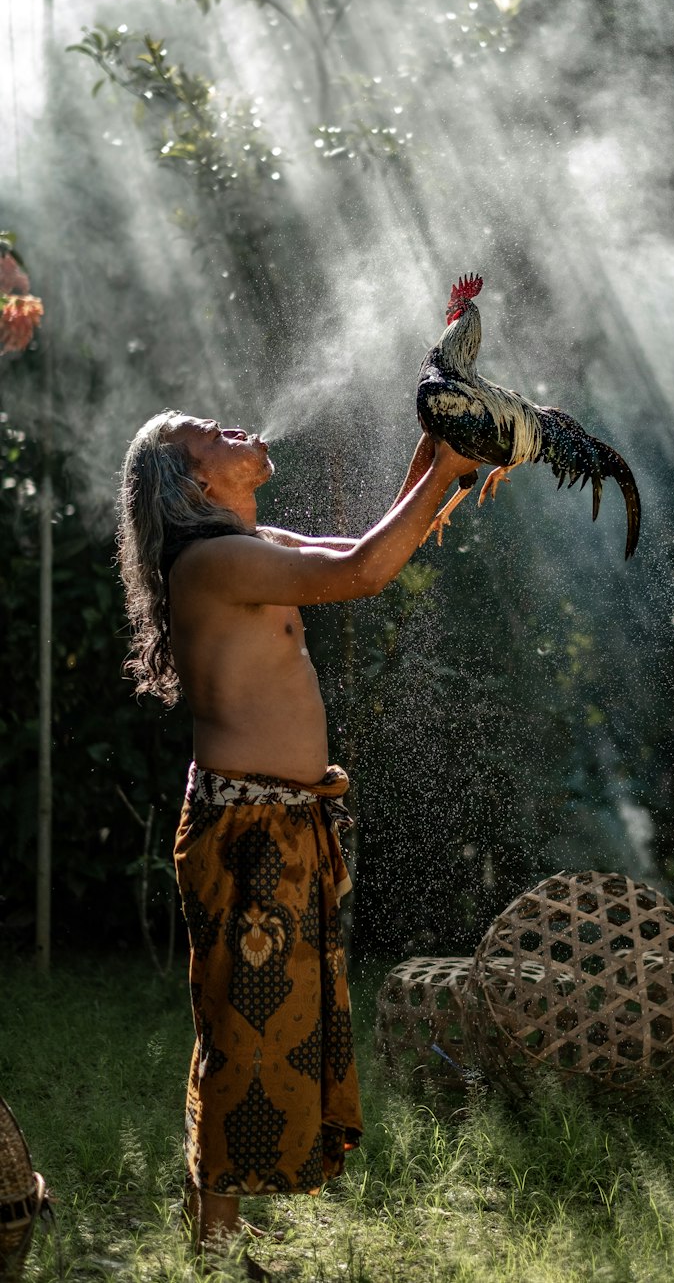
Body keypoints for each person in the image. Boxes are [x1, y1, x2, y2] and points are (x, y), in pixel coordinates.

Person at [116, 411, 480, 1271]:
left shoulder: (250, 544)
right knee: (240, 1032)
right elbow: (360, 573)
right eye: (208, 431)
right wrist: (448, 467)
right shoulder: (212, 563)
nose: (232, 425)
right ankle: (212, 1243)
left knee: (252, 1024)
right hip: (248, 832)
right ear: (193, 481)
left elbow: (361, 554)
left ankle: (217, 1230)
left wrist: (436, 458)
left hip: (274, 822)